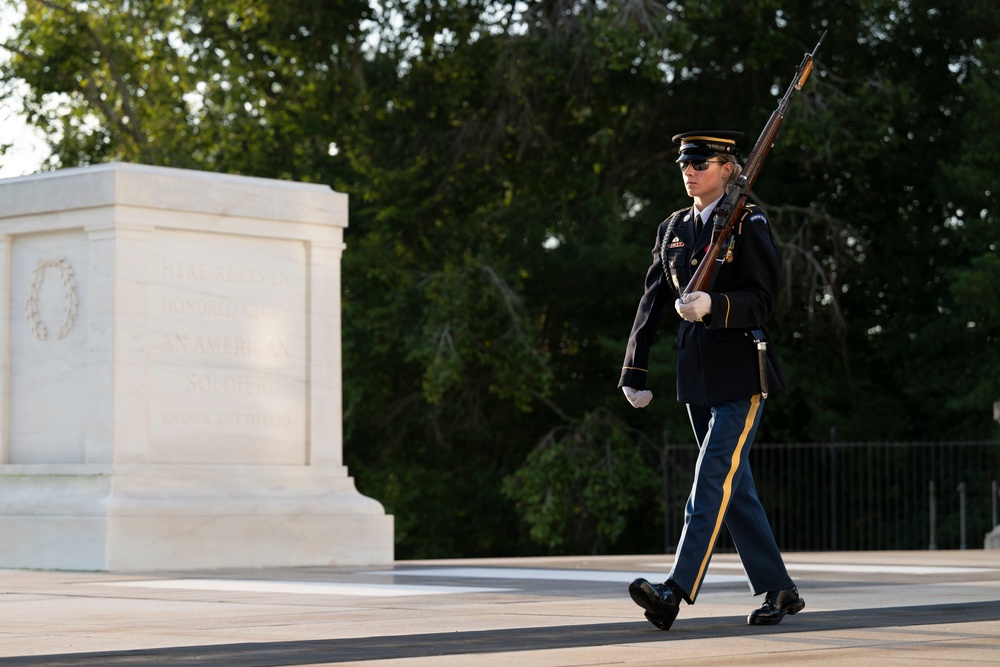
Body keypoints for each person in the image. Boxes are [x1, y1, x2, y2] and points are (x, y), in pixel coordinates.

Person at [618, 130, 804, 631]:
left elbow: (764, 301)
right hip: (695, 378)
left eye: (702, 162)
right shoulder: (674, 228)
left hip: (741, 372)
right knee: (733, 486)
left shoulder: (749, 222)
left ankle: (673, 592)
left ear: (729, 169)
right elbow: (652, 301)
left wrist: (715, 306)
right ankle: (779, 589)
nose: (690, 169)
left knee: (710, 479)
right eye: (685, 162)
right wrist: (634, 370)